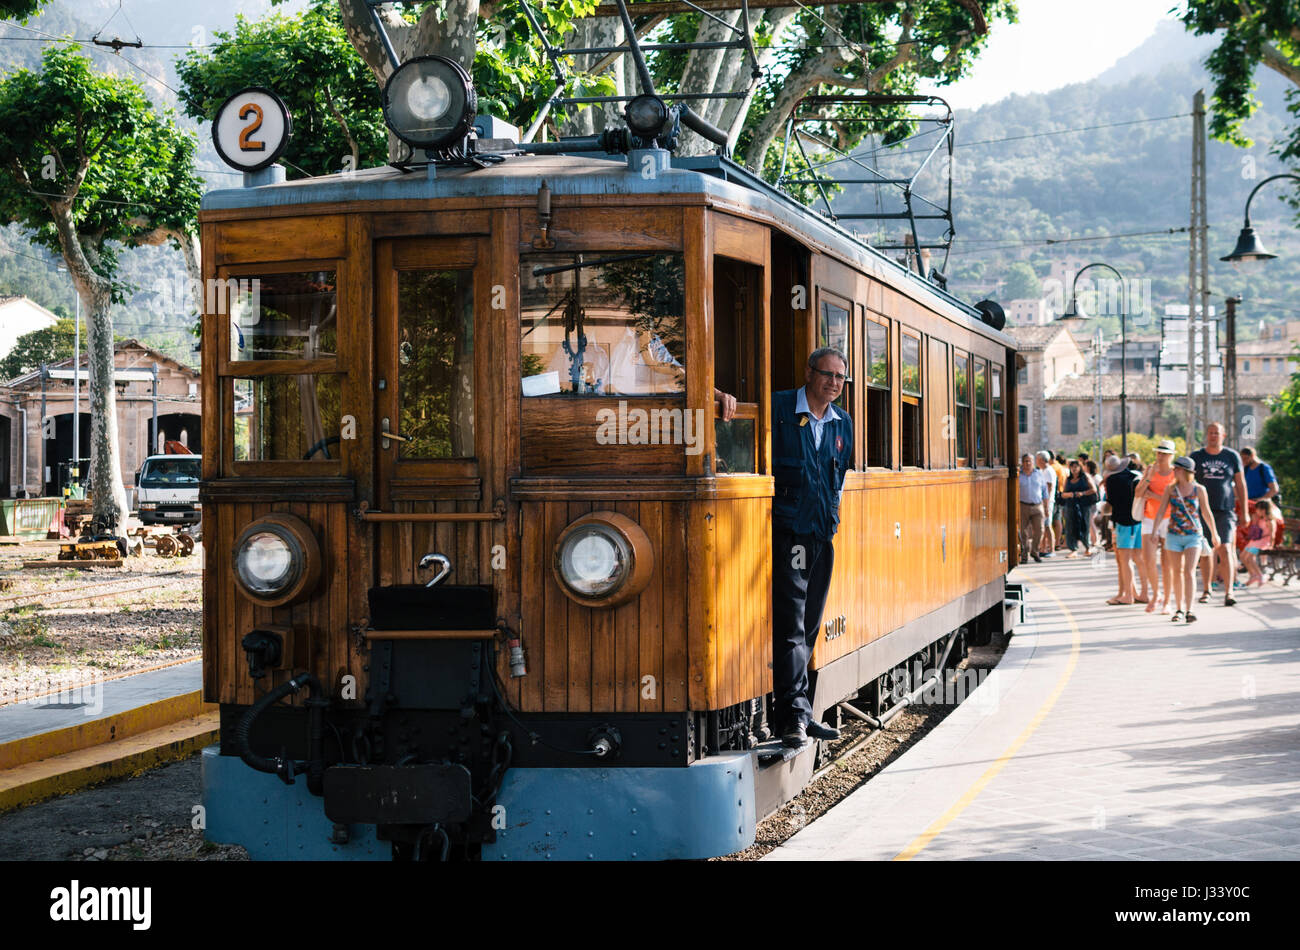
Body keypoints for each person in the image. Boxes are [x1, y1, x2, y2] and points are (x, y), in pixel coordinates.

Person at [771, 347, 854, 748]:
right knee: (791, 627)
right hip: (790, 534)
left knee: (809, 627)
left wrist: (832, 518)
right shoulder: (780, 408)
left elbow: (838, 480)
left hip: (823, 534)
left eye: (840, 377)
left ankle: (803, 711)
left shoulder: (843, 423)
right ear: (809, 372)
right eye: (827, 375)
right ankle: (793, 719)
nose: (834, 383)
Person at [1153, 456, 1220, 623]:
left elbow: (1206, 512)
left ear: (1184, 471)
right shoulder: (1171, 489)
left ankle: (1190, 609)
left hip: (1193, 536)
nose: (1174, 471)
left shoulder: (1199, 490)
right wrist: (1154, 531)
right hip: (1174, 535)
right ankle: (1179, 609)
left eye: (1176, 468)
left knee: (1189, 571)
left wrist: (1214, 533)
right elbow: (1161, 511)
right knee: (1177, 572)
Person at [1190, 423, 1246, 607]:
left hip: (1225, 509)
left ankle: (1229, 592)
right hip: (1203, 510)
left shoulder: (1231, 456)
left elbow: (1240, 484)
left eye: (1217, 433)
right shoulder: (1197, 456)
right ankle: (1207, 589)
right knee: (1207, 550)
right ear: (1206, 435)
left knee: (1226, 548)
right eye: (1210, 433)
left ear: (1224, 435)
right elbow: (1186, 481)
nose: (1213, 436)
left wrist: (1244, 511)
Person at [1136, 440, 1177, 615]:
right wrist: (1148, 477)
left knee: (1167, 562)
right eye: (1158, 452)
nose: (1160, 456)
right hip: (1149, 518)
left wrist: (1152, 494)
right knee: (1148, 559)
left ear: (1171, 456)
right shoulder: (1150, 470)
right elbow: (1138, 493)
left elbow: (1174, 499)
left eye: (1164, 453)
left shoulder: (1176, 473)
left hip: (1169, 519)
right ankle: (1156, 594)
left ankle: (1167, 601)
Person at [1102, 454, 1144, 605]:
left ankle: (1127, 595)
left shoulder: (1112, 480)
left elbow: (1110, 503)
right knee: (1138, 558)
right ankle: (1139, 592)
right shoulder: (1135, 476)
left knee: (1124, 560)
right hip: (1138, 520)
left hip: (1122, 522)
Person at [1237, 447, 1283, 550]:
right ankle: (1247, 558)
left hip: (1262, 507)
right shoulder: (1246, 469)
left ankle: (1261, 559)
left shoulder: (1264, 468)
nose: (1244, 462)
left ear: (1252, 456)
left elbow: (1274, 489)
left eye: (1245, 459)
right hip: (1249, 506)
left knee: (1263, 533)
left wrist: (1260, 500)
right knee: (1248, 533)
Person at [1241, 498, 1282, 586]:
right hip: (1255, 541)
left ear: (1263, 510)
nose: (1256, 511)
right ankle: (1253, 574)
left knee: (1250, 558)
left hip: (1263, 542)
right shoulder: (1259, 519)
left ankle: (1259, 575)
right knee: (1243, 557)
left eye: (1258, 509)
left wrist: (1271, 545)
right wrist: (1254, 520)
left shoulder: (1270, 521)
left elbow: (1272, 535)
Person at [1061, 459, 1097, 556]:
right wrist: (1070, 494)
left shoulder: (1085, 477)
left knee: (1084, 525)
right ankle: (1073, 549)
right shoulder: (1068, 479)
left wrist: (1083, 493)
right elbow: (1063, 494)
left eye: (1076, 466)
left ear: (1080, 467)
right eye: (1072, 467)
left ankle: (1087, 547)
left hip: (1084, 505)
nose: (1074, 469)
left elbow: (1094, 489)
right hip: (1070, 505)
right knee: (1070, 526)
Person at [1018, 454, 1048, 563]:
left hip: (1037, 505)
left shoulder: (1039, 474)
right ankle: (1024, 554)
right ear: (1022, 462)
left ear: (1033, 462)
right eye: (1026, 461)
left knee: (1040, 530)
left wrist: (1046, 507)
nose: (1028, 463)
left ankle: (1035, 552)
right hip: (1023, 505)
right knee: (1023, 532)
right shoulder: (1018, 475)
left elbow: (1045, 491)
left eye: (1030, 461)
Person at [1035, 451, 1057, 555]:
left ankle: (1051, 549)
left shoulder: (1048, 471)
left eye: (1037, 459)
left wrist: (1046, 505)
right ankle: (1043, 548)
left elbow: (1049, 488)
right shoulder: (1043, 471)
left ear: (1042, 460)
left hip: (1048, 502)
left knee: (1048, 526)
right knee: (1044, 525)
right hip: (1043, 501)